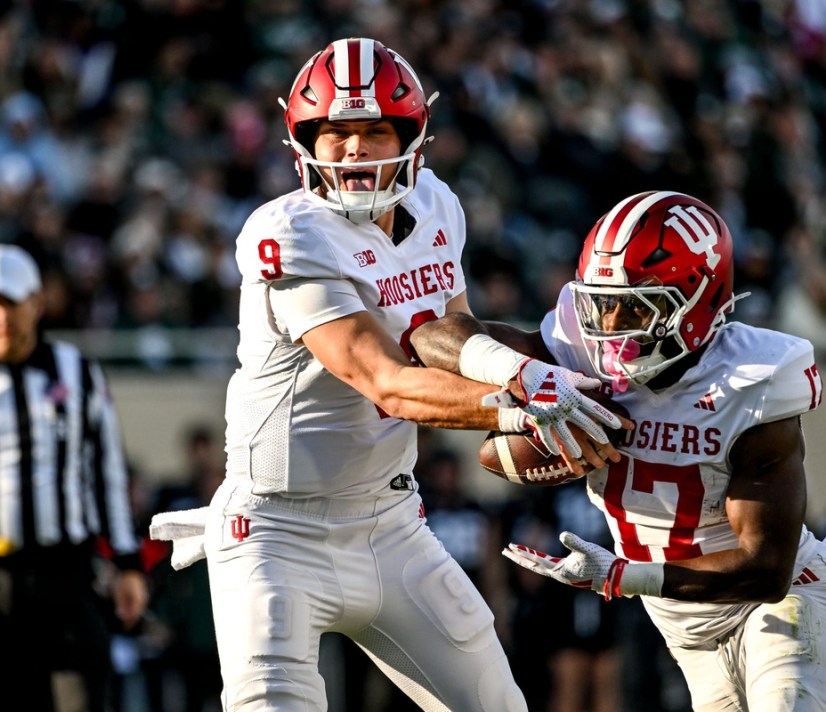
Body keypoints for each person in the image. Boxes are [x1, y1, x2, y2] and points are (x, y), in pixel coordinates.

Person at [147, 37, 625, 711]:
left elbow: (453, 342)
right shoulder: (288, 233)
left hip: (390, 523)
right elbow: (387, 381)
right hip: (277, 533)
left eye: (374, 130)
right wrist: (519, 406)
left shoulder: (438, 206)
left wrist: (530, 374)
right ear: (302, 139)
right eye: (334, 131)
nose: (352, 148)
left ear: (413, 134)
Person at [411, 190, 826, 711]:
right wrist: (527, 376)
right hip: (687, 629)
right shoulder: (575, 348)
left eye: (635, 308)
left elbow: (765, 568)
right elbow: (434, 338)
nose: (610, 327)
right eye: (602, 304)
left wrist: (624, 576)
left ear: (698, 303)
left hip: (785, 601)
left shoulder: (752, 381)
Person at [0, 243, 149, 712]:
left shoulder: (79, 374)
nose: (2, 318)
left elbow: (106, 472)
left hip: (66, 577)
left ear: (37, 303)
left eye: (12, 303)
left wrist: (128, 564)